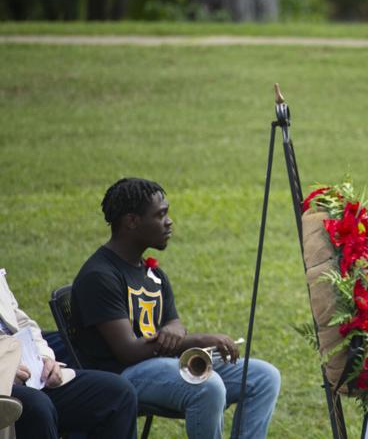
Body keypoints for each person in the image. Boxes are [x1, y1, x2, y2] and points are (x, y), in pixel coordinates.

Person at [71, 178, 280, 439]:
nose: (169, 222)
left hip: (159, 363)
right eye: (160, 215)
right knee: (208, 386)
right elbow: (128, 351)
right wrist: (200, 339)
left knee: (263, 378)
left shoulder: (151, 271)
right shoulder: (100, 276)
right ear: (131, 221)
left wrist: (172, 330)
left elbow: (174, 322)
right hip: (120, 377)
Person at [0, 268, 137, 438]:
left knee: (118, 394)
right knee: (37, 407)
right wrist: (6, 369)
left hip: (30, 373)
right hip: (4, 383)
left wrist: (44, 358)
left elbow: (22, 321)